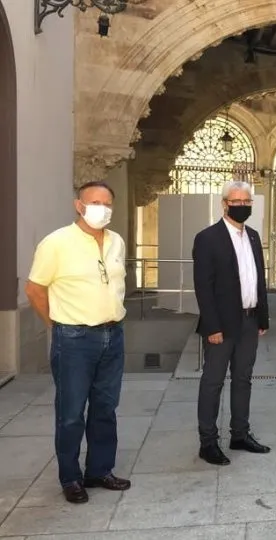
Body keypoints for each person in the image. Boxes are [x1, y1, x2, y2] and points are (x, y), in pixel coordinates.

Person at [24, 181, 131, 504]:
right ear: (79, 206)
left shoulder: (116, 242)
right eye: (95, 201)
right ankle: (70, 477)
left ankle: (99, 470)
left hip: (113, 335)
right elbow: (34, 289)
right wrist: (55, 326)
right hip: (73, 338)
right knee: (71, 413)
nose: (102, 207)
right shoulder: (56, 243)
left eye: (108, 202)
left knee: (105, 407)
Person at [193, 180, 271, 465]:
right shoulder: (208, 238)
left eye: (246, 202)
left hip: (250, 321)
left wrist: (262, 317)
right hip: (221, 325)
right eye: (236, 202)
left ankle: (239, 434)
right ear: (224, 204)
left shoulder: (252, 236)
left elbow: (258, 279)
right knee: (213, 382)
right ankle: (208, 442)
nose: (242, 206)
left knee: (243, 379)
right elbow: (203, 286)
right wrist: (212, 327)